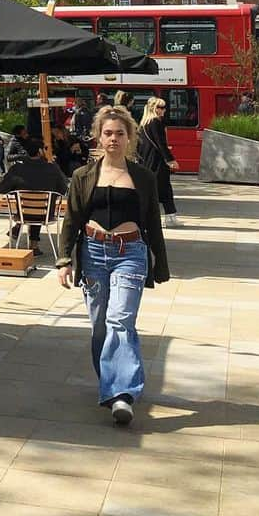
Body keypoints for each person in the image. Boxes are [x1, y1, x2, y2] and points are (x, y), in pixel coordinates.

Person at [56, 104, 170, 427]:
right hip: (93, 252)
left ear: (130, 137)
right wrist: (64, 260)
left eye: (120, 133)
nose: (114, 139)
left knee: (120, 320)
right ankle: (110, 384)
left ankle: (123, 393)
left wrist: (159, 263)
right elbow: (71, 219)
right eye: (108, 133)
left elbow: (153, 223)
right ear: (98, 136)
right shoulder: (83, 176)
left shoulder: (143, 177)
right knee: (100, 327)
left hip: (130, 253)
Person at [0, 137, 69, 256]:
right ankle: (34, 245)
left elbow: (2, 189)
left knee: (29, 204)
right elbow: (63, 190)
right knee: (39, 205)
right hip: (45, 214)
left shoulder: (17, 169)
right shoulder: (52, 168)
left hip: (23, 214)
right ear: (40, 151)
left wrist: (17, 189)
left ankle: (21, 232)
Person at [138, 97, 179, 228]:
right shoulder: (156, 122)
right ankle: (169, 218)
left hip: (147, 161)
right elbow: (161, 143)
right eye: (160, 107)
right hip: (158, 162)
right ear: (153, 108)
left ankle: (162, 217)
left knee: (153, 190)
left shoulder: (143, 124)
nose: (163, 110)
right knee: (164, 189)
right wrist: (170, 160)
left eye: (164, 107)